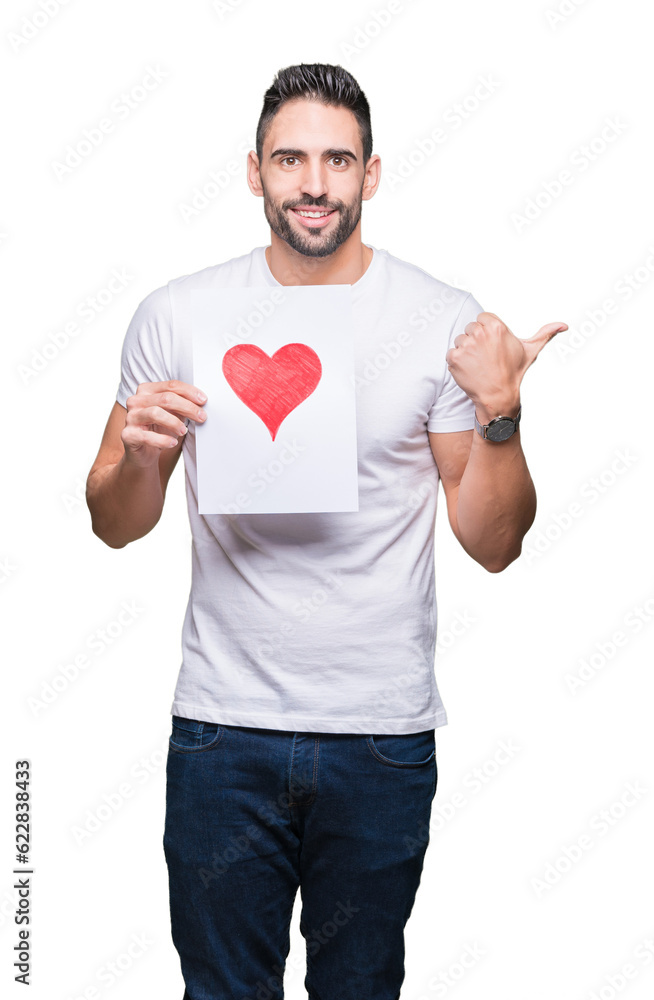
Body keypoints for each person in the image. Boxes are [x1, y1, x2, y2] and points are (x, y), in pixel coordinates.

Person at [86, 63, 567, 1000]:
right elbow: (114, 525)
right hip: (224, 731)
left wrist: (502, 414)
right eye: (291, 159)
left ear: (372, 175)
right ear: (255, 172)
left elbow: (494, 542)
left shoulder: (442, 321)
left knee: (361, 989)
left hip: (379, 736)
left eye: (337, 160)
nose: (314, 182)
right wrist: (140, 457)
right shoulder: (178, 315)